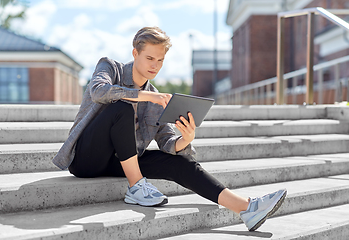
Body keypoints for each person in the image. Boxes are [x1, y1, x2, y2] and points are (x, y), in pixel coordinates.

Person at [52, 26, 287, 231]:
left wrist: (186, 138)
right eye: (150, 58)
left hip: (121, 160)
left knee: (181, 162)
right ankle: (136, 187)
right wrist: (143, 97)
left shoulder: (154, 98)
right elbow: (98, 92)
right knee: (122, 108)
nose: (155, 65)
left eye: (160, 60)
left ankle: (247, 208)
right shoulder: (110, 68)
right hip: (86, 159)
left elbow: (166, 141)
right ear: (135, 54)